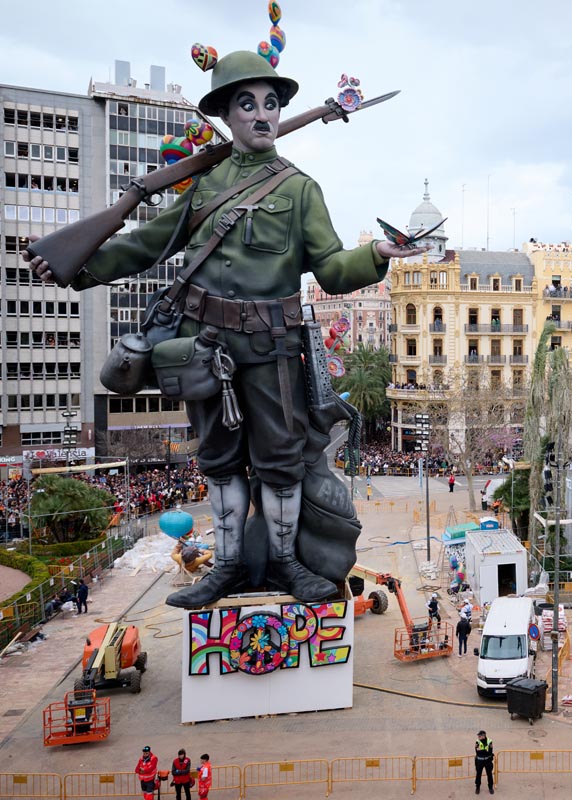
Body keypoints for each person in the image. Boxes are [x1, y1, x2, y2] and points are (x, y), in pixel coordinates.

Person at [24, 48, 425, 610]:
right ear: (227, 115)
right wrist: (77, 269)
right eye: (247, 104)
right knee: (217, 460)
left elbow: (332, 270)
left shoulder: (299, 189)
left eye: (269, 104)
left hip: (273, 352)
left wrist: (378, 253)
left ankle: (287, 564)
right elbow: (144, 244)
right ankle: (228, 568)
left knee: (281, 464)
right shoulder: (205, 186)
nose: (262, 114)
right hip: (204, 352)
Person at [474, 730, 494, 795]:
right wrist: (486, 750)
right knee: (478, 774)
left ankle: (490, 787)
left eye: (480, 736)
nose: (478, 737)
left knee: (489, 774)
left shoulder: (489, 741)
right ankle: (477, 787)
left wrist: (483, 750)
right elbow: (477, 752)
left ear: (483, 736)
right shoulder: (477, 742)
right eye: (478, 736)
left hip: (488, 761)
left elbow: (490, 752)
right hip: (480, 761)